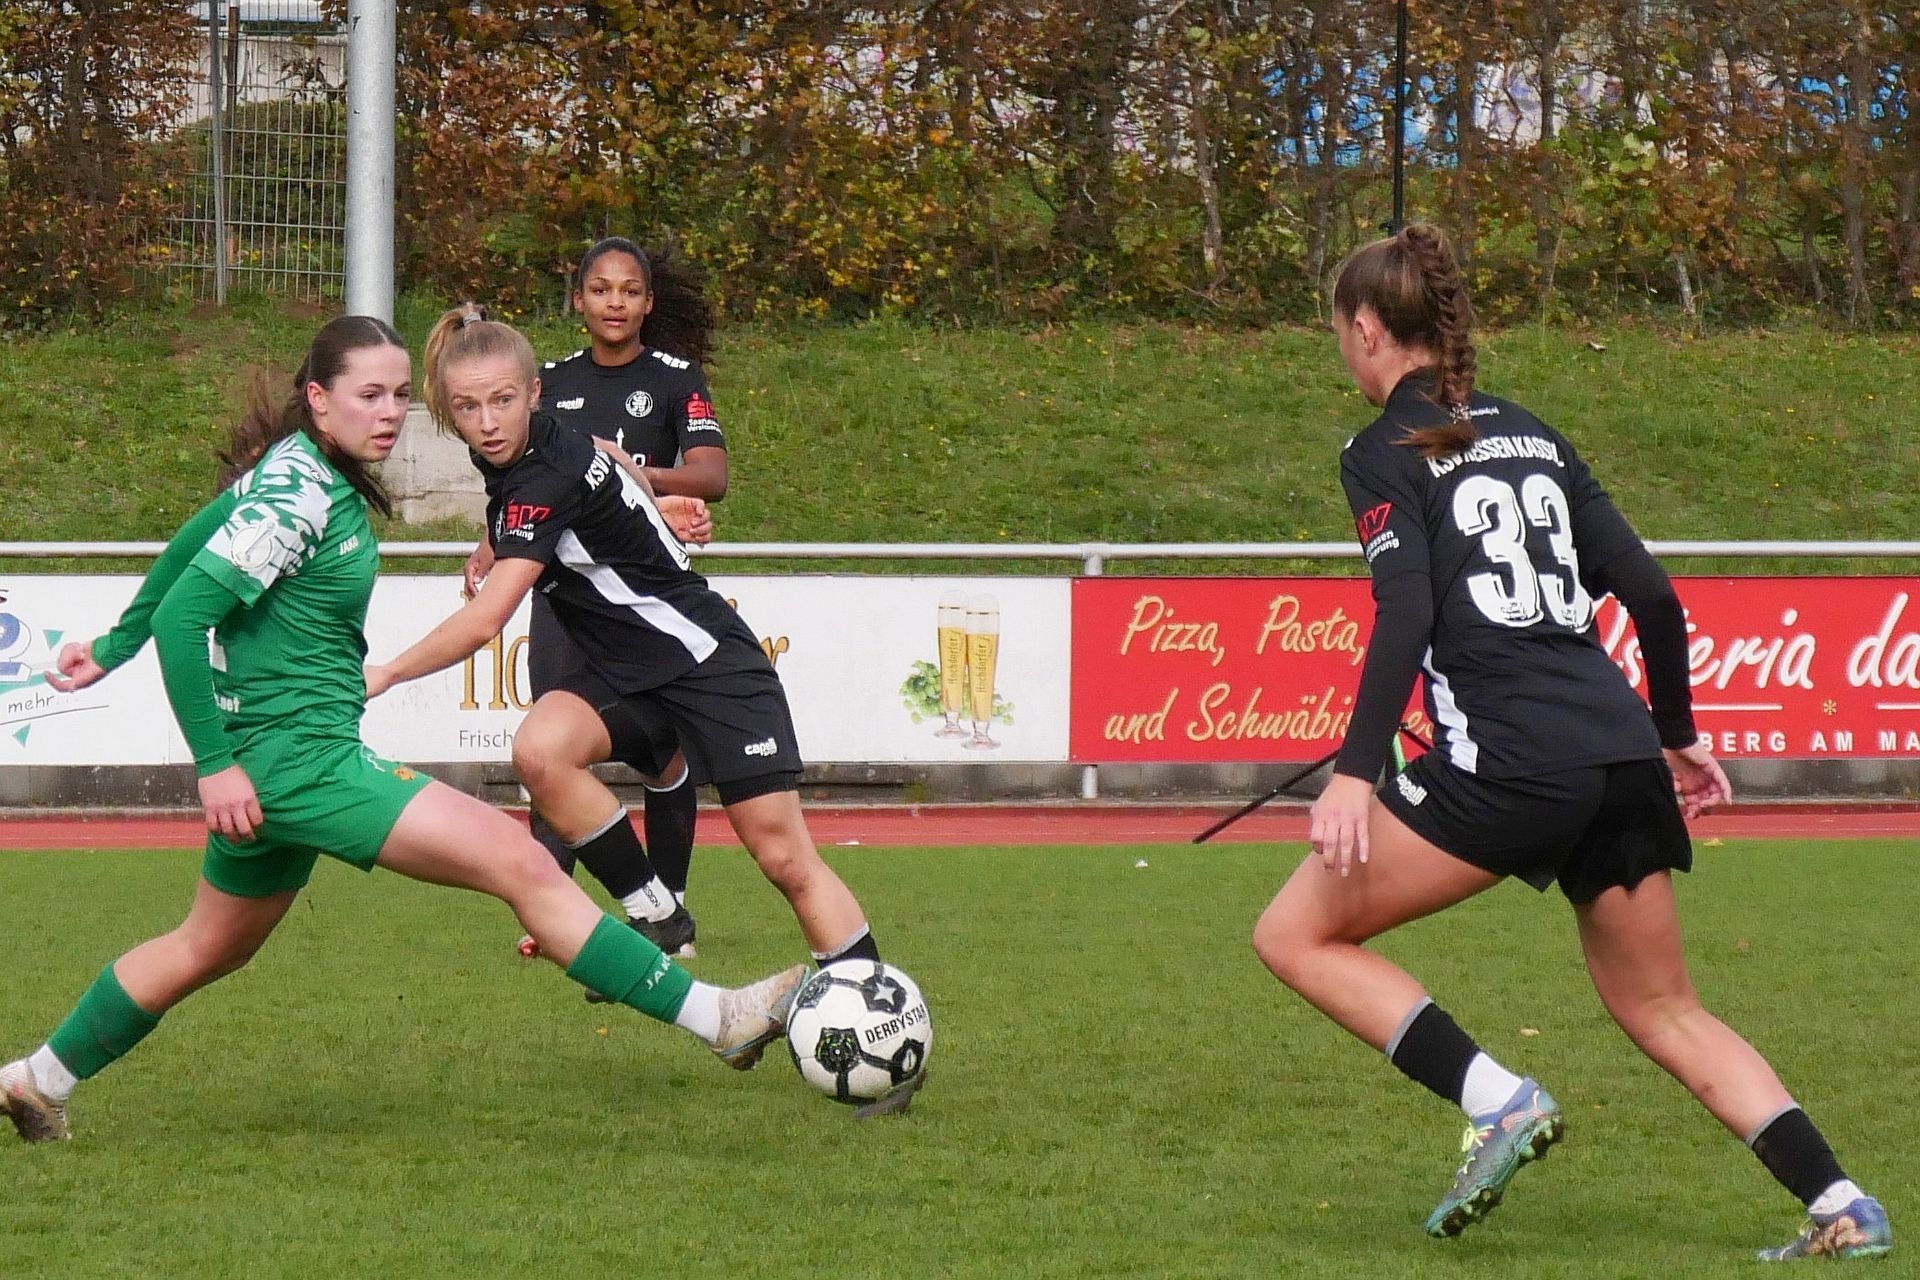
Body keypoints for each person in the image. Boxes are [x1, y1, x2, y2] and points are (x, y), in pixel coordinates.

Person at [1, 316, 804, 1145]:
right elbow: (185, 618)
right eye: (368, 396)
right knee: (524, 863)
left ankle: (36, 1080)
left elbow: (186, 550)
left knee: (208, 945)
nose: (389, 413)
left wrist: (111, 646)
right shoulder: (299, 495)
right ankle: (720, 1018)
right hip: (301, 764)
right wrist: (213, 764)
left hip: (277, 762)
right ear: (319, 399)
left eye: (396, 396)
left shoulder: (293, 468)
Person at [1250, 224, 1890, 1261]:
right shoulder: (1535, 435)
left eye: (1338, 332)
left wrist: (1353, 776)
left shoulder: (1381, 450)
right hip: (1619, 750)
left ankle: (1497, 1099)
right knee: (1665, 1006)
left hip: (1510, 760)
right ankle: (1842, 1202)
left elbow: (1405, 611)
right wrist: (1676, 736)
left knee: (1293, 934)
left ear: (1367, 327)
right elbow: (1653, 596)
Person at [365, 306, 895, 1037]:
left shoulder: (542, 473)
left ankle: (877, 1016)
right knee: (540, 751)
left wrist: (387, 672)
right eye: (468, 406)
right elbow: (608, 459)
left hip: (707, 663)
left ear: (534, 393)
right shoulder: (538, 451)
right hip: (626, 673)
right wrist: (643, 507)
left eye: (503, 400)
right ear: (449, 415)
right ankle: (658, 915)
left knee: (784, 859)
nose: (487, 421)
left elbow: (487, 619)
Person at [464, 238, 724, 967]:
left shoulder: (674, 378)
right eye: (601, 289)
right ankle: (554, 911)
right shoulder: (544, 382)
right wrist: (492, 543)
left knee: (662, 753)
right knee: (548, 748)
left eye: (629, 290)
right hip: (563, 589)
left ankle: (668, 910)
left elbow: (711, 475)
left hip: (642, 592)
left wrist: (635, 477)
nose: (615, 302)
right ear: (577, 299)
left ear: (648, 302)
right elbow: (523, 483)